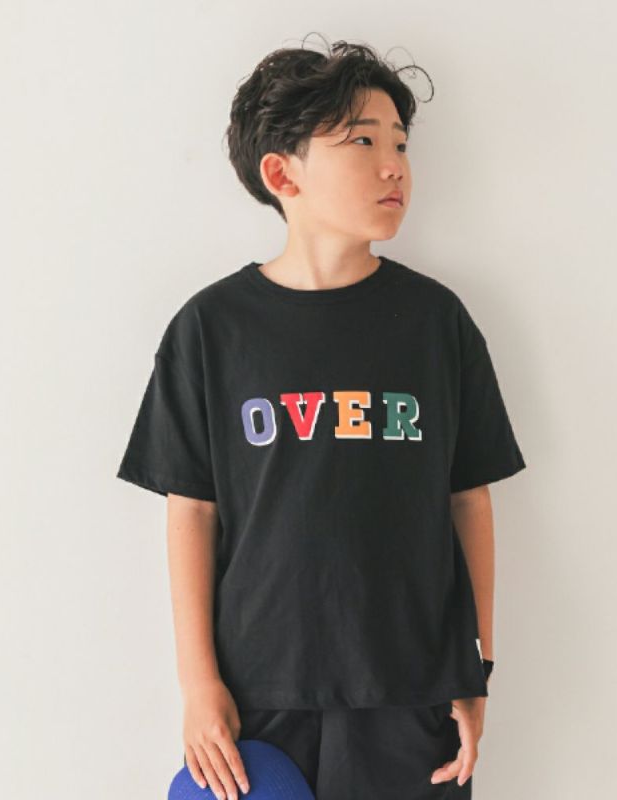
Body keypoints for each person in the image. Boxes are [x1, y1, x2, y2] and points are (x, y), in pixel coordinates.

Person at [116, 37, 526, 800]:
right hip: (258, 698)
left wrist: (478, 668)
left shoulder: (436, 323)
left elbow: (469, 498)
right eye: (363, 142)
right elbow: (192, 511)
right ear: (283, 174)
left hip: (413, 689)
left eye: (401, 144)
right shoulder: (211, 330)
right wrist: (198, 683)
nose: (394, 165)